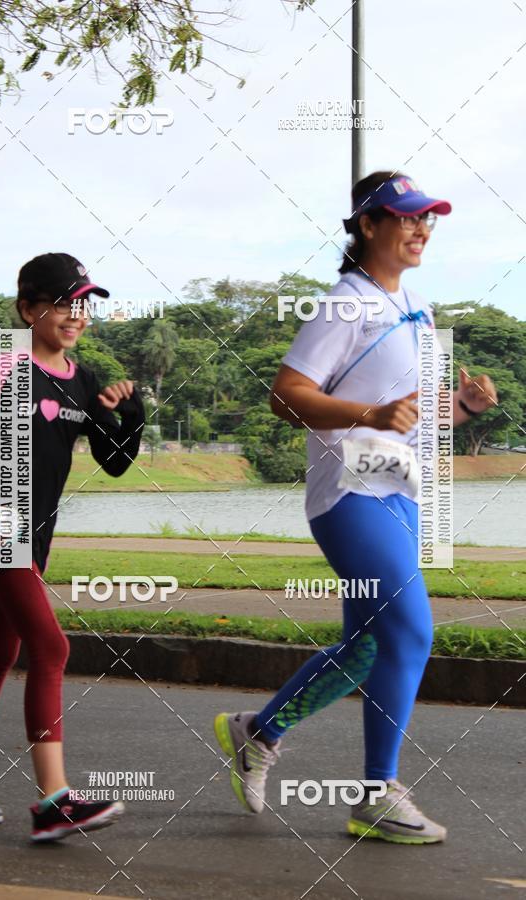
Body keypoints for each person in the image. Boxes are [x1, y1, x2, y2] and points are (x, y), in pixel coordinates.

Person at [214, 172, 498, 844]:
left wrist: (462, 409)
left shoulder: (420, 309)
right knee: (411, 632)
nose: (420, 228)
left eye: (428, 218)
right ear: (368, 224)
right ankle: (376, 792)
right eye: (405, 217)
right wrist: (367, 412)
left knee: (367, 647)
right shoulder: (346, 304)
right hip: (350, 493)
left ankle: (259, 733)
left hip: (400, 494)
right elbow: (286, 395)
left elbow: (412, 419)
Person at [0, 253, 145, 842]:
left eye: (83, 305)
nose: (76, 316)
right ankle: (53, 799)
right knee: (51, 648)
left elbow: (115, 462)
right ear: (29, 310)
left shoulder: (82, 379)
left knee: (0, 652)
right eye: (62, 304)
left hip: (38, 533)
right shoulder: (5, 367)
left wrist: (130, 414)